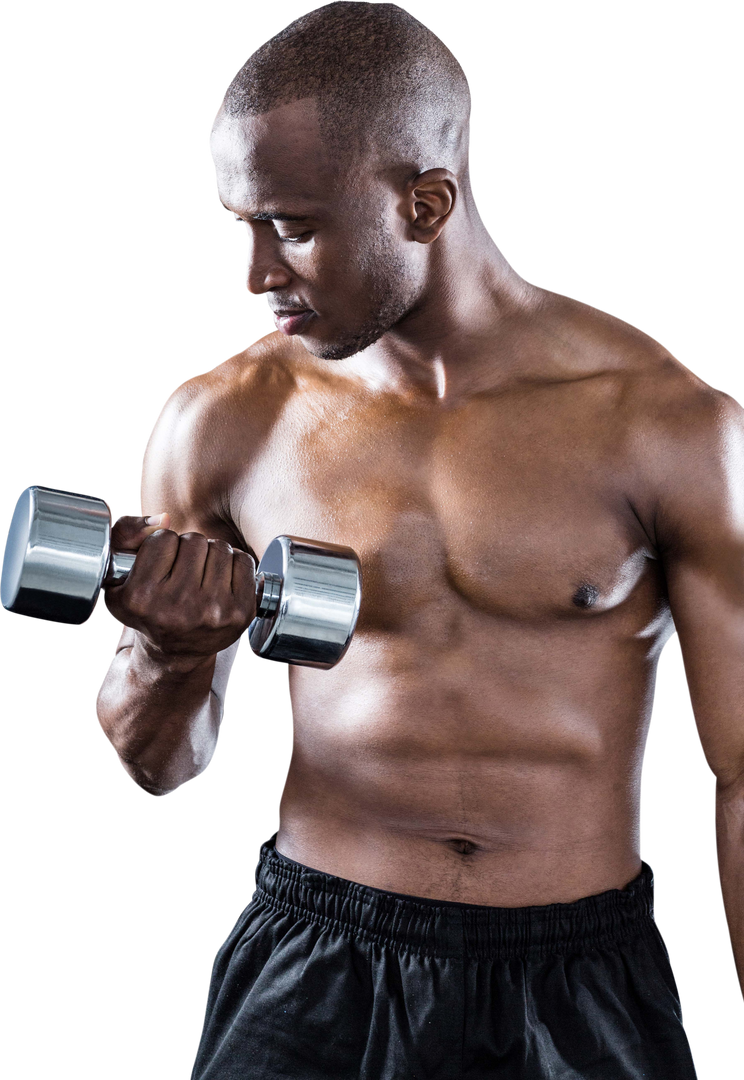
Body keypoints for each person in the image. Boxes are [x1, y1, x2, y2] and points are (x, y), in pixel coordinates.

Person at [93, 3, 741, 1077]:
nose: (253, 273)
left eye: (292, 227)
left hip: (580, 981)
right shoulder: (223, 419)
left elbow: (741, 775)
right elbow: (159, 768)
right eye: (239, 224)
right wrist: (168, 651)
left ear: (427, 202)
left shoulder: (664, 425)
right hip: (315, 960)